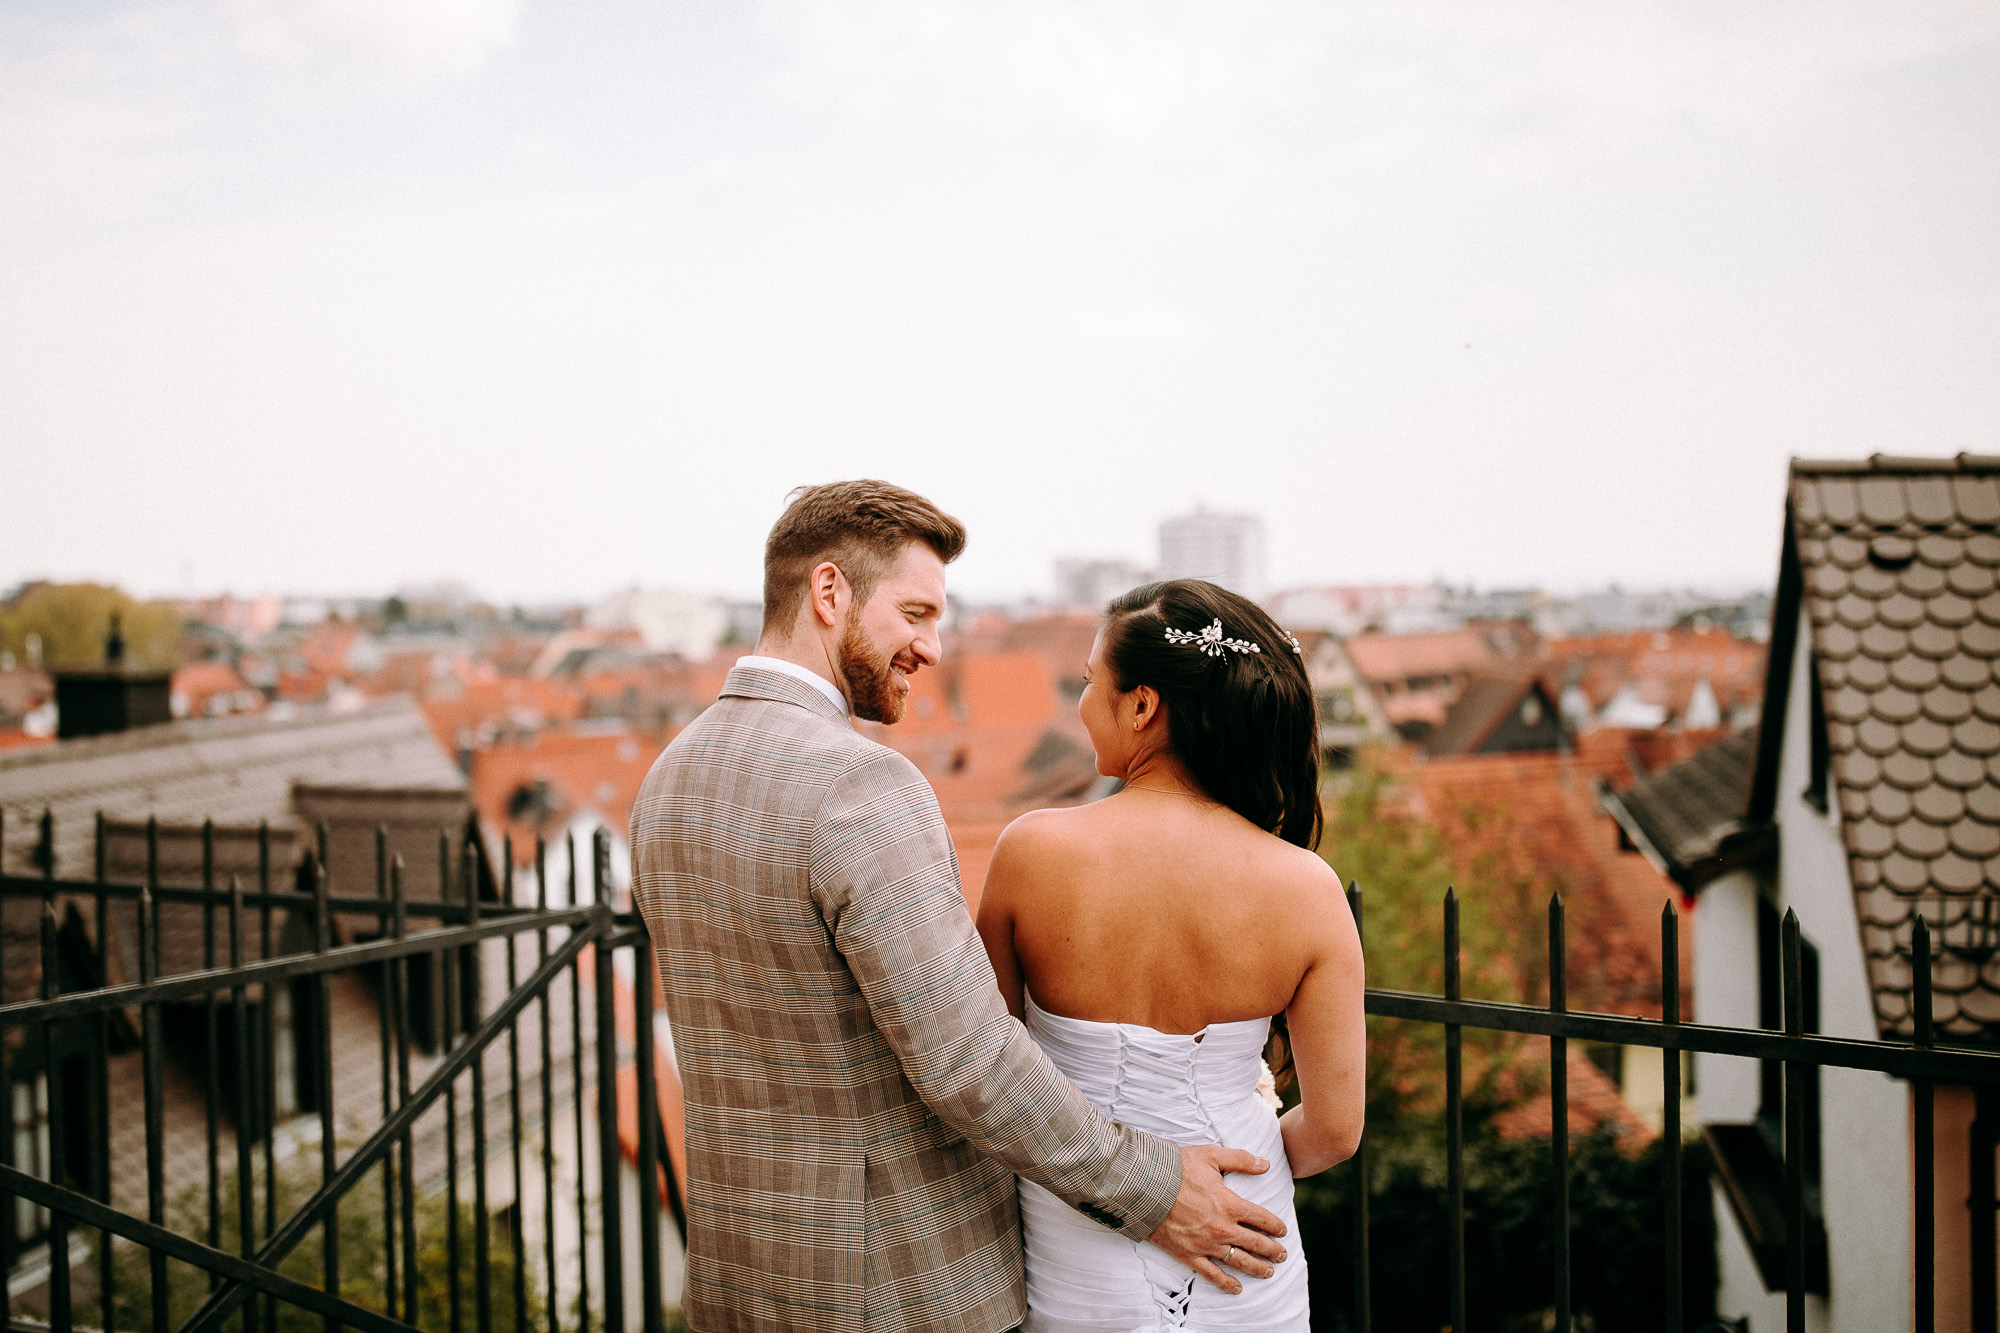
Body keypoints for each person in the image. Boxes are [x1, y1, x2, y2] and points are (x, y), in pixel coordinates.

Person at [630, 483, 1289, 1333]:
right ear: (829, 593)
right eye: (915, 613)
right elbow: (968, 1059)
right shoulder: (859, 783)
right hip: (900, 1292)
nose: (932, 648)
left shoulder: (668, 778)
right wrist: (1154, 1188)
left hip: (739, 1285)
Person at [976, 579, 1366, 1331]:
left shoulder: (1030, 853)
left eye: (1090, 682)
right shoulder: (1308, 889)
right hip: (1245, 1249)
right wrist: (1235, 1159)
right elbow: (1333, 1131)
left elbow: (991, 1075)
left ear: (1143, 705)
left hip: (1077, 1246)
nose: (1083, 703)